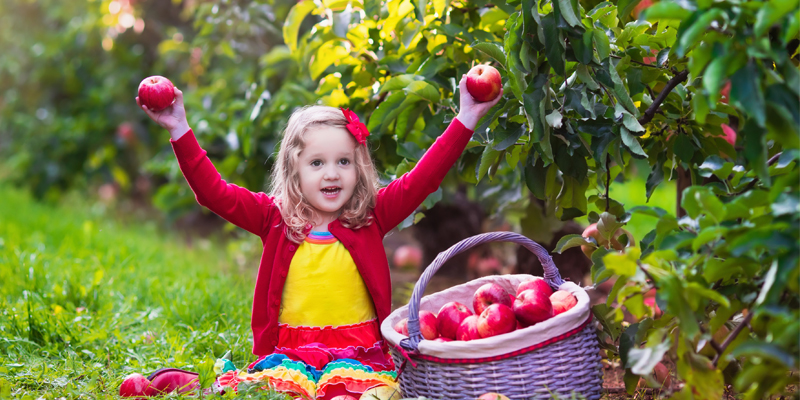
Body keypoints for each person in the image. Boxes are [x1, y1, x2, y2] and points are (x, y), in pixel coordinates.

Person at [135, 75, 502, 398]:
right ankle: (183, 384)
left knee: (364, 394)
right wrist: (179, 128)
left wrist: (466, 117)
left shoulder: (372, 216)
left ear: (358, 167)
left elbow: (424, 178)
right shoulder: (274, 218)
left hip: (360, 355)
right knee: (277, 391)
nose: (332, 174)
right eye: (317, 163)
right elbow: (213, 192)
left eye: (343, 162)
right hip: (292, 354)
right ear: (294, 170)